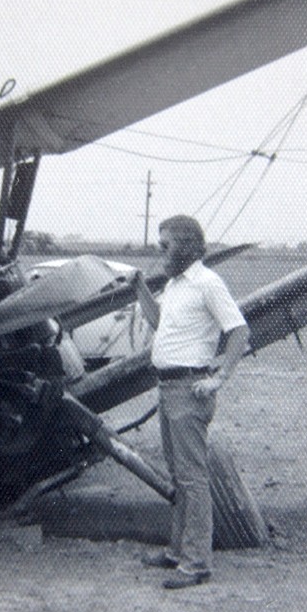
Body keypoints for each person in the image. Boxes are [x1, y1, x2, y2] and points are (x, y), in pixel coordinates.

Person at [133, 215, 250, 590]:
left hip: (189, 390)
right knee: (180, 476)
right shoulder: (176, 284)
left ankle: (197, 563)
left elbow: (239, 330)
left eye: (164, 245)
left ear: (184, 246)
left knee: (192, 478)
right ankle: (177, 552)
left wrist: (219, 378)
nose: (160, 251)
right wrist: (138, 288)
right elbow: (157, 320)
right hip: (168, 389)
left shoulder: (207, 283)